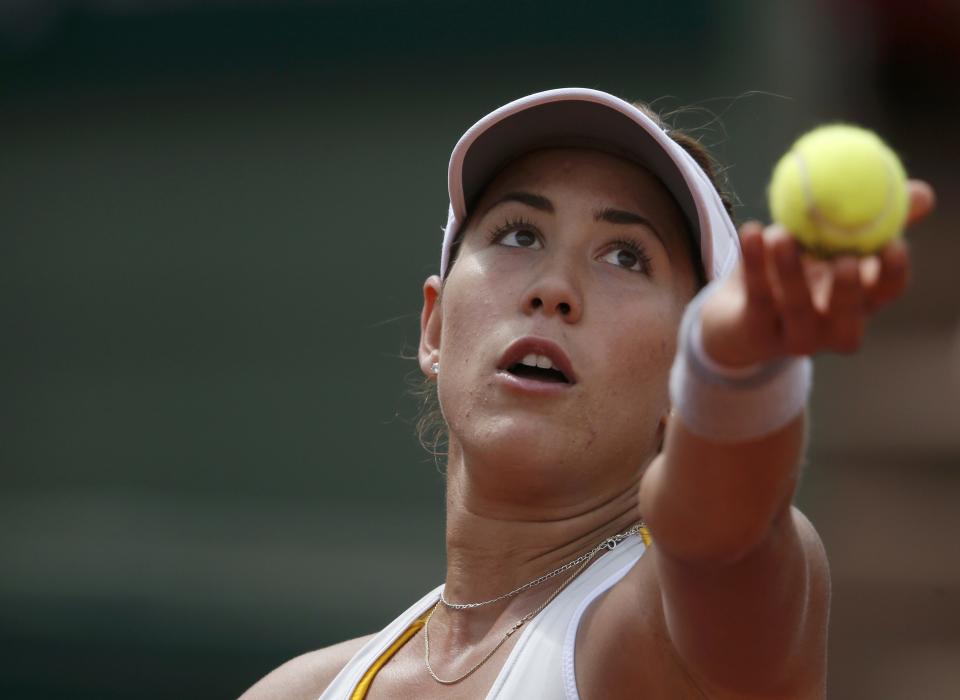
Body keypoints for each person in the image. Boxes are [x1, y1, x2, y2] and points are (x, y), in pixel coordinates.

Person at [241, 88, 936, 699]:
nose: (554, 288)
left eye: (625, 256)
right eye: (518, 233)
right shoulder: (294, 693)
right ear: (435, 326)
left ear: (681, 375)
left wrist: (732, 371)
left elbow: (722, 539)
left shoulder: (653, 638)